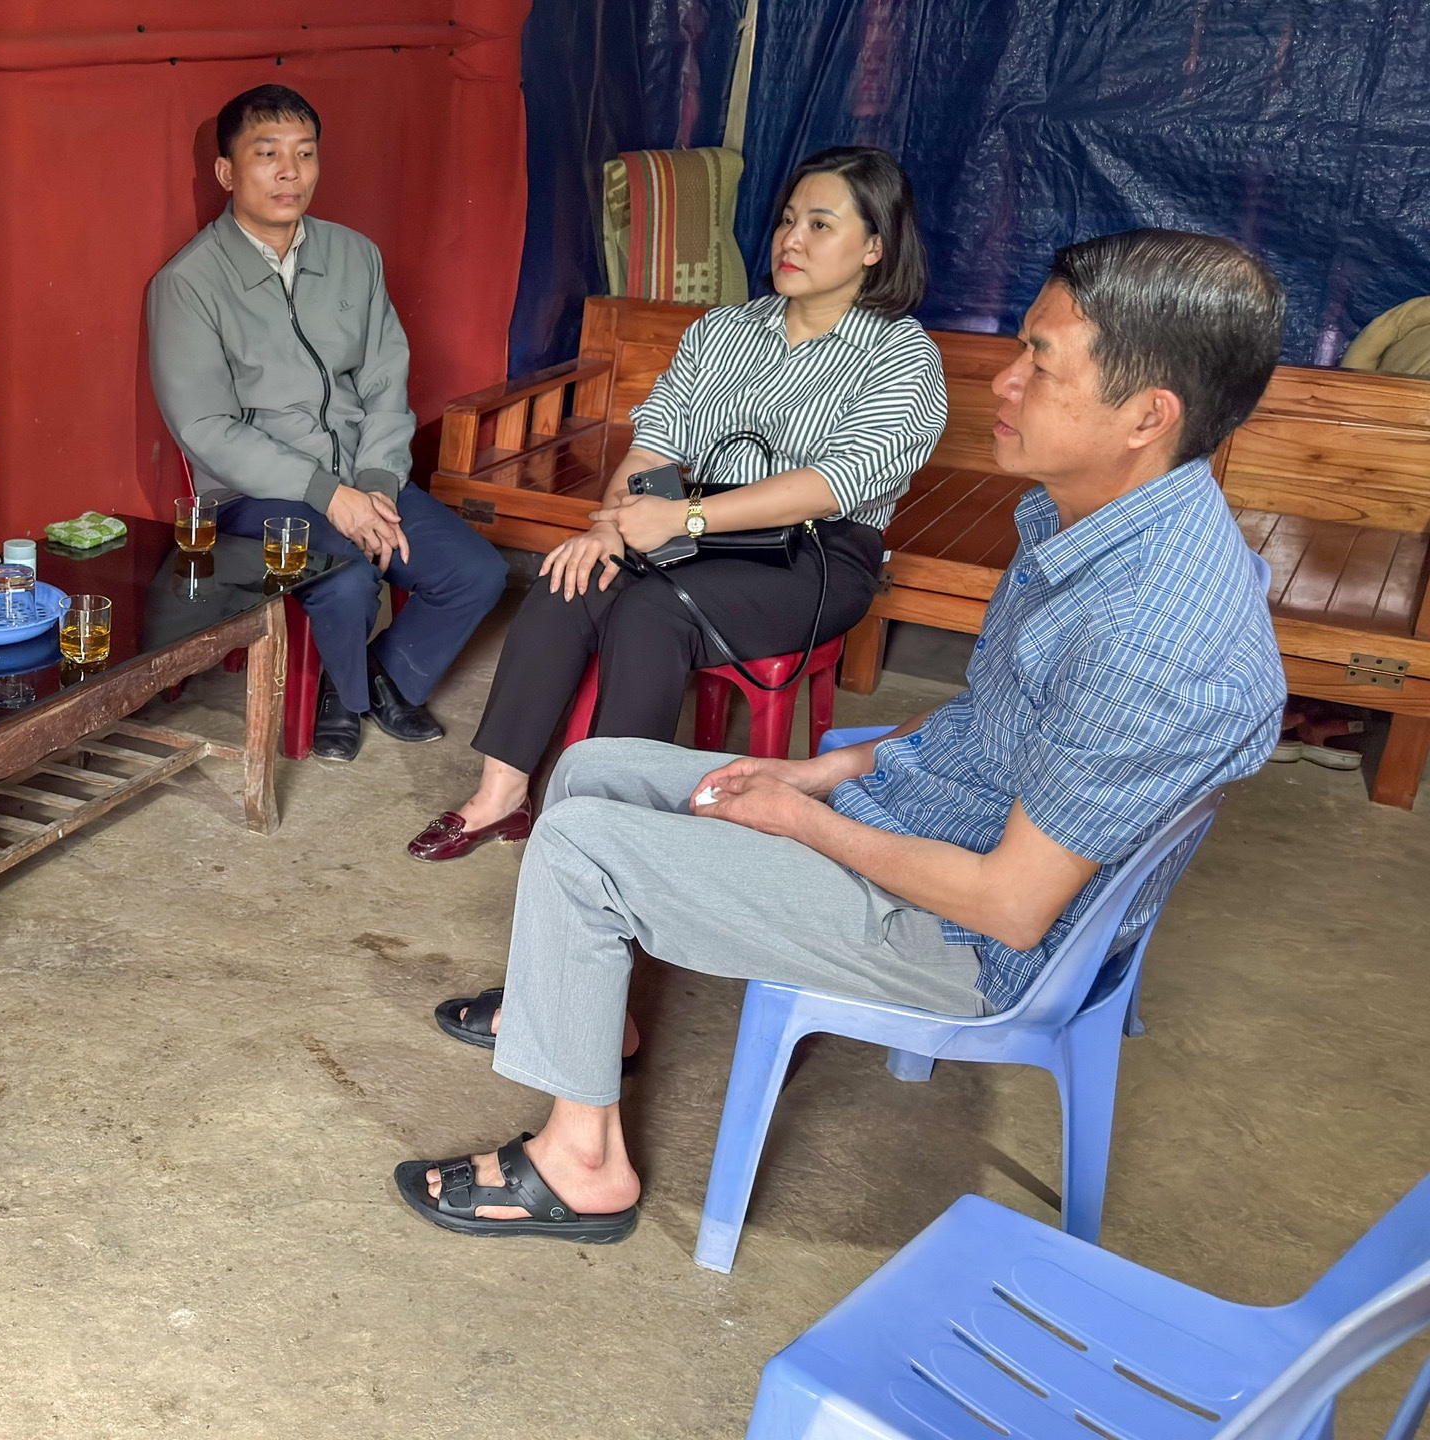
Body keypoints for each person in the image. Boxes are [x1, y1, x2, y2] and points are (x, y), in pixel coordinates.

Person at [396, 229, 1288, 1242]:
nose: (1004, 380)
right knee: (595, 769)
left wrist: (803, 821)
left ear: (1147, 415)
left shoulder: (1145, 631)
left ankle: (582, 1167)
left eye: (1041, 361)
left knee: (579, 848)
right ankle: (597, 1017)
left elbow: (1009, 908)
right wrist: (824, 768)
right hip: (930, 818)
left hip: (963, 941)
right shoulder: (1094, 521)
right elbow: (996, 715)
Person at [409, 146, 946, 862]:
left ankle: (609, 822)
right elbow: (655, 449)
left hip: (817, 553)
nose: (791, 239)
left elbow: (832, 483)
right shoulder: (725, 330)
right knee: (573, 574)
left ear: (875, 247)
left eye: (820, 225)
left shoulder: (901, 355)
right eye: (788, 220)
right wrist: (609, 527)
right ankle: (501, 796)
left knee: (652, 610)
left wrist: (685, 518)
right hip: (695, 522)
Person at [149, 84, 509, 763]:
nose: (290, 172)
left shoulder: (354, 256)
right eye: (267, 154)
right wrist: (328, 494)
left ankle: (369, 681)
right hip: (256, 494)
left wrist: (375, 483)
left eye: (305, 153)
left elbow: (384, 381)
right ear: (226, 171)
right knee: (346, 576)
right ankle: (345, 691)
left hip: (362, 474)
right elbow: (206, 426)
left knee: (477, 572)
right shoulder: (188, 283)